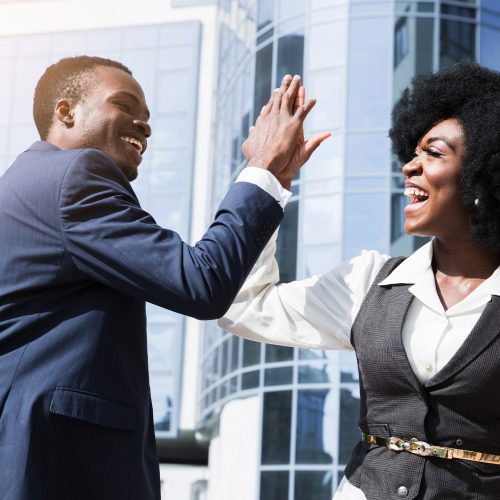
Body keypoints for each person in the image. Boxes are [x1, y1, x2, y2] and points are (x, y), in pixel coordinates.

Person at [0, 55, 329, 499]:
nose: (144, 124)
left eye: (148, 116)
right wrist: (265, 171)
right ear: (66, 111)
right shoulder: (74, 175)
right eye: (125, 105)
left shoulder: (24, 184)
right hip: (62, 467)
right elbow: (201, 282)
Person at [220, 62, 500, 499]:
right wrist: (268, 178)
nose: (409, 167)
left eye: (434, 153)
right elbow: (243, 307)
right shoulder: (369, 280)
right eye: (413, 151)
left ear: (483, 176)